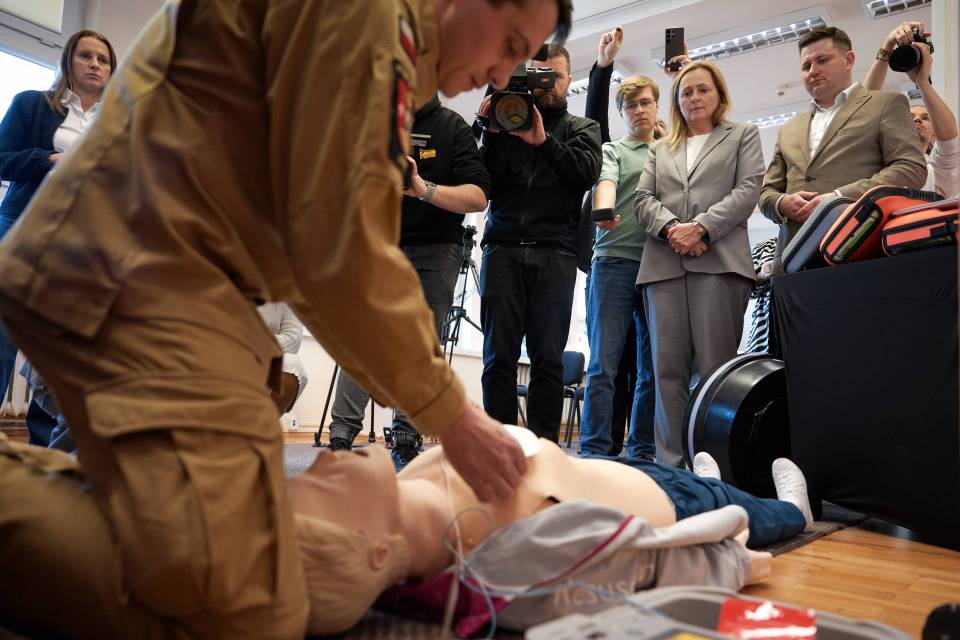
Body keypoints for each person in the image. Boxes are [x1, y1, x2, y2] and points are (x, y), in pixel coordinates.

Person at [0, 0, 572, 637]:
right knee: (249, 610)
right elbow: (339, 246)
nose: (501, 77)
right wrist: (452, 415)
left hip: (168, 285)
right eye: (510, 45)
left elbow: (321, 244)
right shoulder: (363, 21)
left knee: (210, 557)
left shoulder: (382, 46)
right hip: (133, 282)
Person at [0, 429, 812, 636]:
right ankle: (791, 500)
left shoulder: (414, 488)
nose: (319, 461)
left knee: (683, 462)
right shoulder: (504, 554)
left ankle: (713, 466)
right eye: (324, 484)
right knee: (764, 508)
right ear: (380, 552)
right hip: (667, 501)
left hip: (603, 461)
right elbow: (661, 566)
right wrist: (741, 554)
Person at [326, 93, 491, 469]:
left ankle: (405, 437)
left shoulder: (453, 127)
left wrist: (422, 188)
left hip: (437, 249)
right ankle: (341, 437)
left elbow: (478, 196)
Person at [634, 60, 765, 468]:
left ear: (719, 94)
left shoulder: (742, 135)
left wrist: (702, 228)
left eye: (703, 89)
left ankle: (711, 467)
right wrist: (673, 228)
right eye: (686, 92)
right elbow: (643, 199)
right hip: (663, 268)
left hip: (720, 265)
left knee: (715, 372)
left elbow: (748, 189)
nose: (694, 97)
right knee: (666, 374)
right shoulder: (660, 147)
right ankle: (672, 468)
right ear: (676, 101)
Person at [477, 44, 602, 442]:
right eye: (540, 76)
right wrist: (492, 134)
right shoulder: (504, 122)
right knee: (497, 356)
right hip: (502, 248)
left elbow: (586, 173)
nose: (547, 84)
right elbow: (485, 185)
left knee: (547, 358)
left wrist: (542, 141)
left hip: (556, 253)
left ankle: (544, 449)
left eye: (556, 77)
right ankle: (500, 448)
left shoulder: (583, 128)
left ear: (569, 81)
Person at [0, 30, 116, 446]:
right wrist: (51, 159)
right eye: (86, 55)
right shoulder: (32, 104)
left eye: (103, 59)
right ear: (69, 61)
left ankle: (45, 451)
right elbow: (2, 159)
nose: (95, 64)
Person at [758, 26, 927, 272]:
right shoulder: (788, 129)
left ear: (849, 60)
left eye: (822, 60)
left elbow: (911, 168)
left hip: (859, 250)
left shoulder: (885, 105)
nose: (813, 70)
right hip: (793, 261)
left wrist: (837, 198)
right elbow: (767, 193)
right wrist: (782, 203)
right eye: (806, 66)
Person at [579, 70, 659, 460]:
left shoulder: (669, 152)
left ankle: (642, 452)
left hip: (658, 269)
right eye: (631, 105)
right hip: (613, 264)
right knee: (602, 367)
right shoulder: (614, 150)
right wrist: (603, 209)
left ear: (657, 106)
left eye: (645, 102)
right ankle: (594, 452)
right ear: (622, 112)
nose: (639, 110)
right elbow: (605, 181)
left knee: (652, 370)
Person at [862, 20, 959, 198]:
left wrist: (922, 82)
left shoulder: (940, 172)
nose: (917, 119)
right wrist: (888, 46)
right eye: (910, 116)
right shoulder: (880, 164)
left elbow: (950, 140)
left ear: (934, 136)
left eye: (925, 118)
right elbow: (864, 107)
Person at [258, 302, 308, 414]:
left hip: (267, 357)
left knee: (293, 364)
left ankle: (264, 422)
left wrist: (258, 341)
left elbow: (293, 340)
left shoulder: (286, 296)